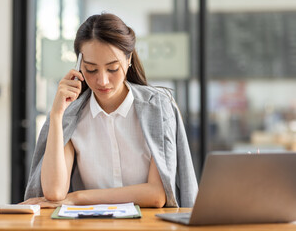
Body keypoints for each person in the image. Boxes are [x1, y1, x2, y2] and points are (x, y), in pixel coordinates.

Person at [23, 13, 198, 208]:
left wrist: (77, 197)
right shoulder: (71, 116)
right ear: (79, 65)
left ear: (128, 59)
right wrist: (56, 116)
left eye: (113, 68)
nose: (103, 81)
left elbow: (157, 195)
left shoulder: (157, 107)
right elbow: (55, 192)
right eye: (91, 69)